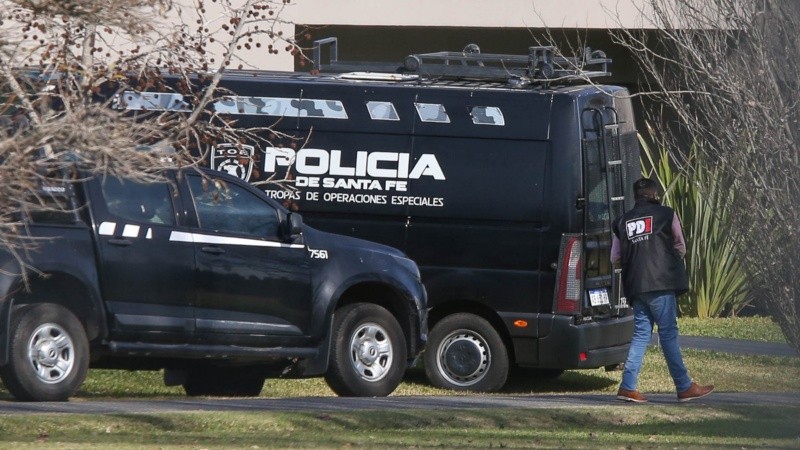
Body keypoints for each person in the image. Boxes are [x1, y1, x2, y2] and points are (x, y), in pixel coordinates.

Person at [611, 177, 714, 403]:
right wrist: (667, 263)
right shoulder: (667, 214)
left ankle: (628, 386)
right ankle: (684, 386)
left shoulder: (621, 222)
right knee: (668, 333)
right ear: (655, 195)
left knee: (640, 335)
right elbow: (680, 246)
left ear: (635, 197)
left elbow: (615, 258)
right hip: (661, 283)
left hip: (636, 287)